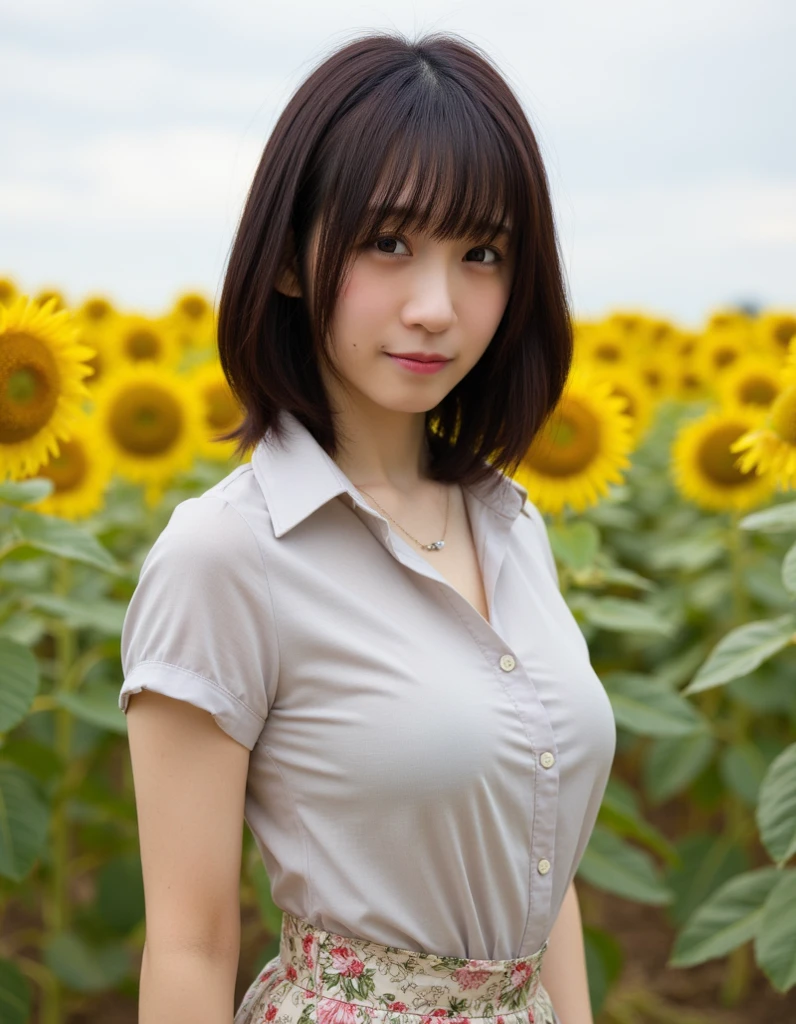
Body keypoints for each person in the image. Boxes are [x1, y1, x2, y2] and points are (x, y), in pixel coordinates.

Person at [118, 30, 617, 1024]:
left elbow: (538, 863)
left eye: (481, 253)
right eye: (388, 242)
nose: (435, 306)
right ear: (294, 260)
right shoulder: (228, 556)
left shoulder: (511, 526)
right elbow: (189, 943)